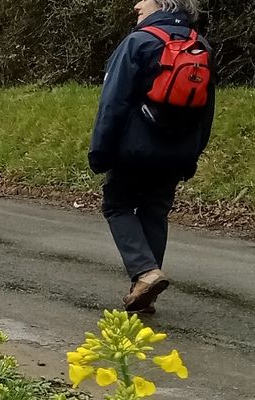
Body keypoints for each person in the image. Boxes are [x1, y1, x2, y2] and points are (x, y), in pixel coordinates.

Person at [89, 0, 216, 314]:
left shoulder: (138, 42)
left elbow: (113, 103)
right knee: (155, 211)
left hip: (133, 150)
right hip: (177, 153)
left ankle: (146, 273)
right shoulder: (200, 47)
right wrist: (192, 155)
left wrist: (100, 150)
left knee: (117, 205)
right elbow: (206, 112)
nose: (135, 6)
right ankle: (144, 289)